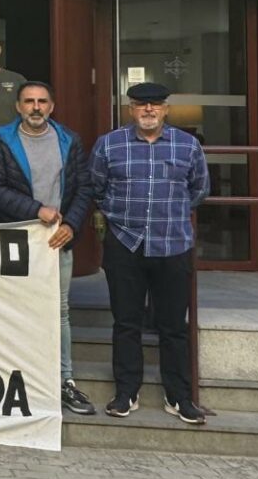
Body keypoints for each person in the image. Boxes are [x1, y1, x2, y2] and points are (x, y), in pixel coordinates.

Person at [90, 83, 211, 425]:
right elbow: (96, 187)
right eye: (141, 105)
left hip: (172, 244)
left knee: (174, 326)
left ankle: (179, 396)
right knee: (126, 322)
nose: (148, 110)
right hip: (125, 244)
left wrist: (168, 214)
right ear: (130, 110)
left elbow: (200, 189)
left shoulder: (188, 146)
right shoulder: (109, 144)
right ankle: (126, 392)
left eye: (155, 105)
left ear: (166, 110)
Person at [0, 83, 95, 417]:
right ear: (18, 107)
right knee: (13, 308)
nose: (35, 107)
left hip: (57, 243)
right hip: (18, 240)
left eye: (42, 101)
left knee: (59, 312)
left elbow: (84, 188)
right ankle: (15, 380)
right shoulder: (3, 140)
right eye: (29, 101)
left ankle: (64, 381)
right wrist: (35, 210)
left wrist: (70, 225)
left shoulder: (69, 140)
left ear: (52, 105)